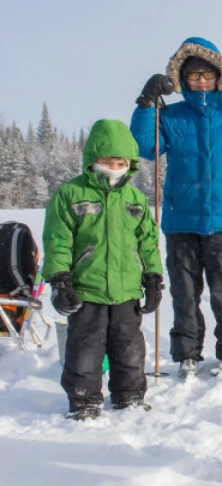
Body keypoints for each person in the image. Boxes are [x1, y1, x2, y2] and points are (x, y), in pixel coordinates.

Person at [130, 37, 222, 379]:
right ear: (182, 79)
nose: (200, 80)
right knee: (184, 294)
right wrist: (145, 103)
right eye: (193, 75)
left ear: (218, 77)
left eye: (206, 74)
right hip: (181, 220)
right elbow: (143, 147)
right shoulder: (170, 114)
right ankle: (186, 354)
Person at [42, 119, 163, 420]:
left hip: (126, 289)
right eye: (107, 160)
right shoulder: (70, 194)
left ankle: (130, 396)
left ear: (130, 164)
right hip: (87, 288)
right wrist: (58, 280)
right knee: (85, 348)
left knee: (129, 348)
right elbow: (57, 239)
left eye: (121, 161)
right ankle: (84, 400)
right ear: (92, 159)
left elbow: (148, 241)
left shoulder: (134, 198)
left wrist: (153, 278)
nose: (114, 166)